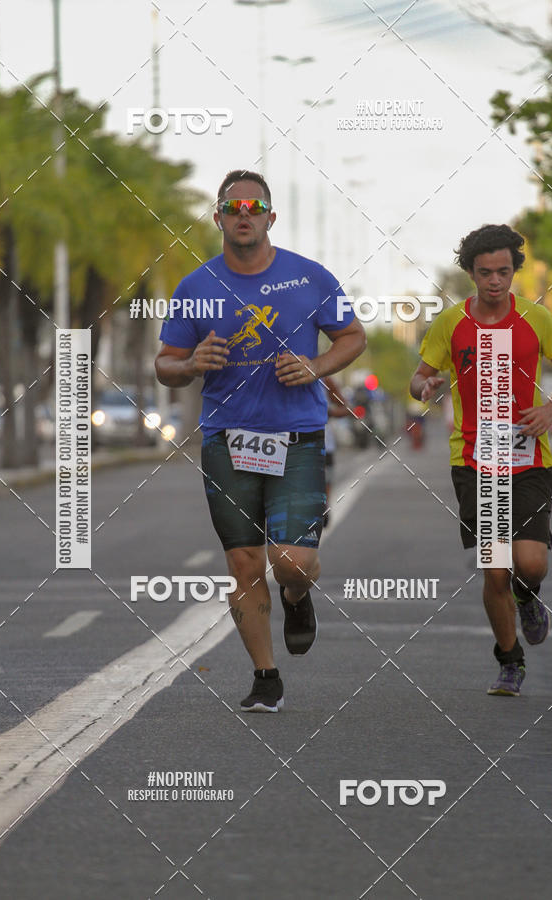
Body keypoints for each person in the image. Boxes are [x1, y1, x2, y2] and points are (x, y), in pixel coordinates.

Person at [155, 170, 366, 712]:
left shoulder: (309, 278)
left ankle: (297, 595)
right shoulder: (196, 287)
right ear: (219, 218)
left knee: (291, 561)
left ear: (271, 217)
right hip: (226, 439)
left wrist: (316, 366)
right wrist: (190, 364)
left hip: (297, 437)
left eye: (254, 207)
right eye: (233, 207)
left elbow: (352, 336)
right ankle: (265, 676)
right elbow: (165, 364)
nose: (243, 215)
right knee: (245, 562)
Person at [410, 224, 552, 696]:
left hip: (529, 458)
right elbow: (419, 376)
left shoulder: (536, 318)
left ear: (513, 271)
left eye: (504, 271)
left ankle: (529, 596)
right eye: (485, 272)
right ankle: (510, 661)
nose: (495, 281)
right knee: (496, 568)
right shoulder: (450, 323)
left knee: (531, 563)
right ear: (471, 272)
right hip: (474, 461)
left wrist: (551, 409)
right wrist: (425, 387)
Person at [322, 374, 351, 528]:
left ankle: (324, 508)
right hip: (285, 443)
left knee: (325, 481)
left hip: (323, 445)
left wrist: (328, 412)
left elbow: (346, 409)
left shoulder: (324, 379)